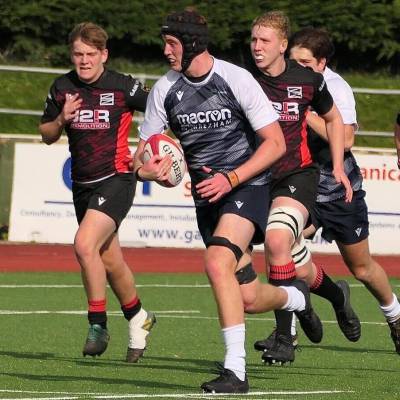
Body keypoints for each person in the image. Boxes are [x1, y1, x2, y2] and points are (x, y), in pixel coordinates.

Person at [134, 8, 323, 394]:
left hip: (246, 187)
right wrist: (148, 171)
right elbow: (140, 158)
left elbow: (275, 143)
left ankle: (235, 371)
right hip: (208, 199)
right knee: (250, 298)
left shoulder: (235, 79)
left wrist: (231, 177)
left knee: (216, 261)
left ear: (192, 44)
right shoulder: (164, 90)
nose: (166, 51)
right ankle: (294, 298)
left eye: (172, 44)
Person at [38, 22, 158, 363]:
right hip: (83, 184)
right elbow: (46, 134)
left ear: (104, 54)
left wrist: (146, 150)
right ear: (71, 55)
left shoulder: (122, 86)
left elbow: (160, 109)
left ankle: (97, 324)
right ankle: (139, 317)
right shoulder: (62, 87)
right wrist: (61, 117)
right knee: (109, 260)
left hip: (117, 178)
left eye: (91, 54)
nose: (84, 60)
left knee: (83, 244)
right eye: (78, 54)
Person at [283, 27, 400, 355]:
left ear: (322, 63)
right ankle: (287, 330)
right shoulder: (285, 83)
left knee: (362, 268)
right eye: (294, 60)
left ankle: (394, 316)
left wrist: (306, 115)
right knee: (281, 242)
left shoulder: (336, 88)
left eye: (305, 62)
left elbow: (346, 139)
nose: (298, 67)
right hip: (300, 187)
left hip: (338, 191)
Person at [248, 12, 356, 365]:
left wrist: (338, 167)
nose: (257, 46)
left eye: (264, 40)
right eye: (253, 40)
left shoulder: (308, 80)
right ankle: (330, 297)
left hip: (297, 176)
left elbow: (334, 119)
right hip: (258, 178)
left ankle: (284, 338)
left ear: (282, 45)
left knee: (277, 242)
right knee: (297, 265)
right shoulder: (243, 81)